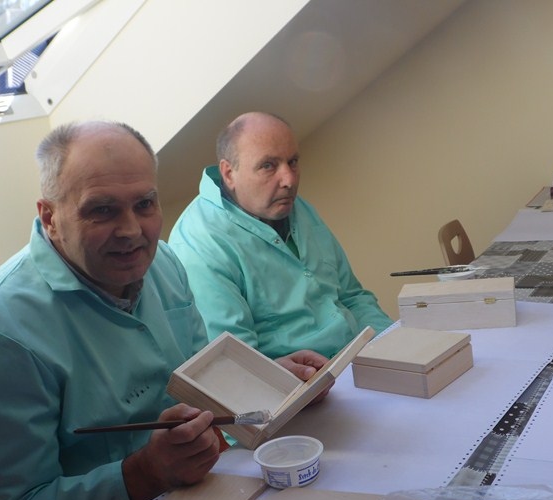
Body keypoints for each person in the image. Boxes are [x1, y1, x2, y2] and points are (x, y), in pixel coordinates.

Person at [0, 120, 328, 500]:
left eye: (144, 204)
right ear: (49, 217)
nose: (132, 231)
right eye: (101, 210)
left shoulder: (162, 264)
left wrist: (269, 382)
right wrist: (142, 474)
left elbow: (200, 384)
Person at [168, 111, 393, 360]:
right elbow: (236, 361)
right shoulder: (200, 242)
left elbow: (353, 297)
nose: (289, 180)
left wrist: (391, 343)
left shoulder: (297, 208)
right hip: (301, 380)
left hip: (360, 358)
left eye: (293, 162)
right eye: (268, 166)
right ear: (229, 173)